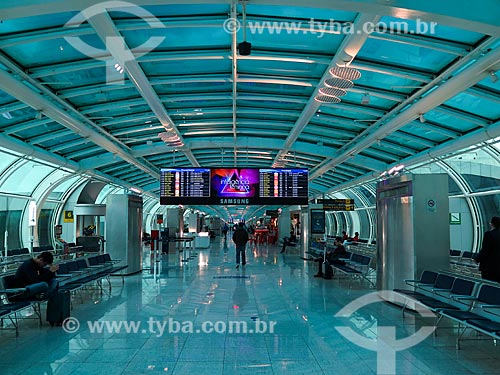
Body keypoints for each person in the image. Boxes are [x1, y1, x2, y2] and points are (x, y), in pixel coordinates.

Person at [474, 216, 500, 282]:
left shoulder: (489, 235)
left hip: (489, 266)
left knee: (488, 284)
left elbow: (485, 250)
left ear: (491, 224)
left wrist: (477, 259)